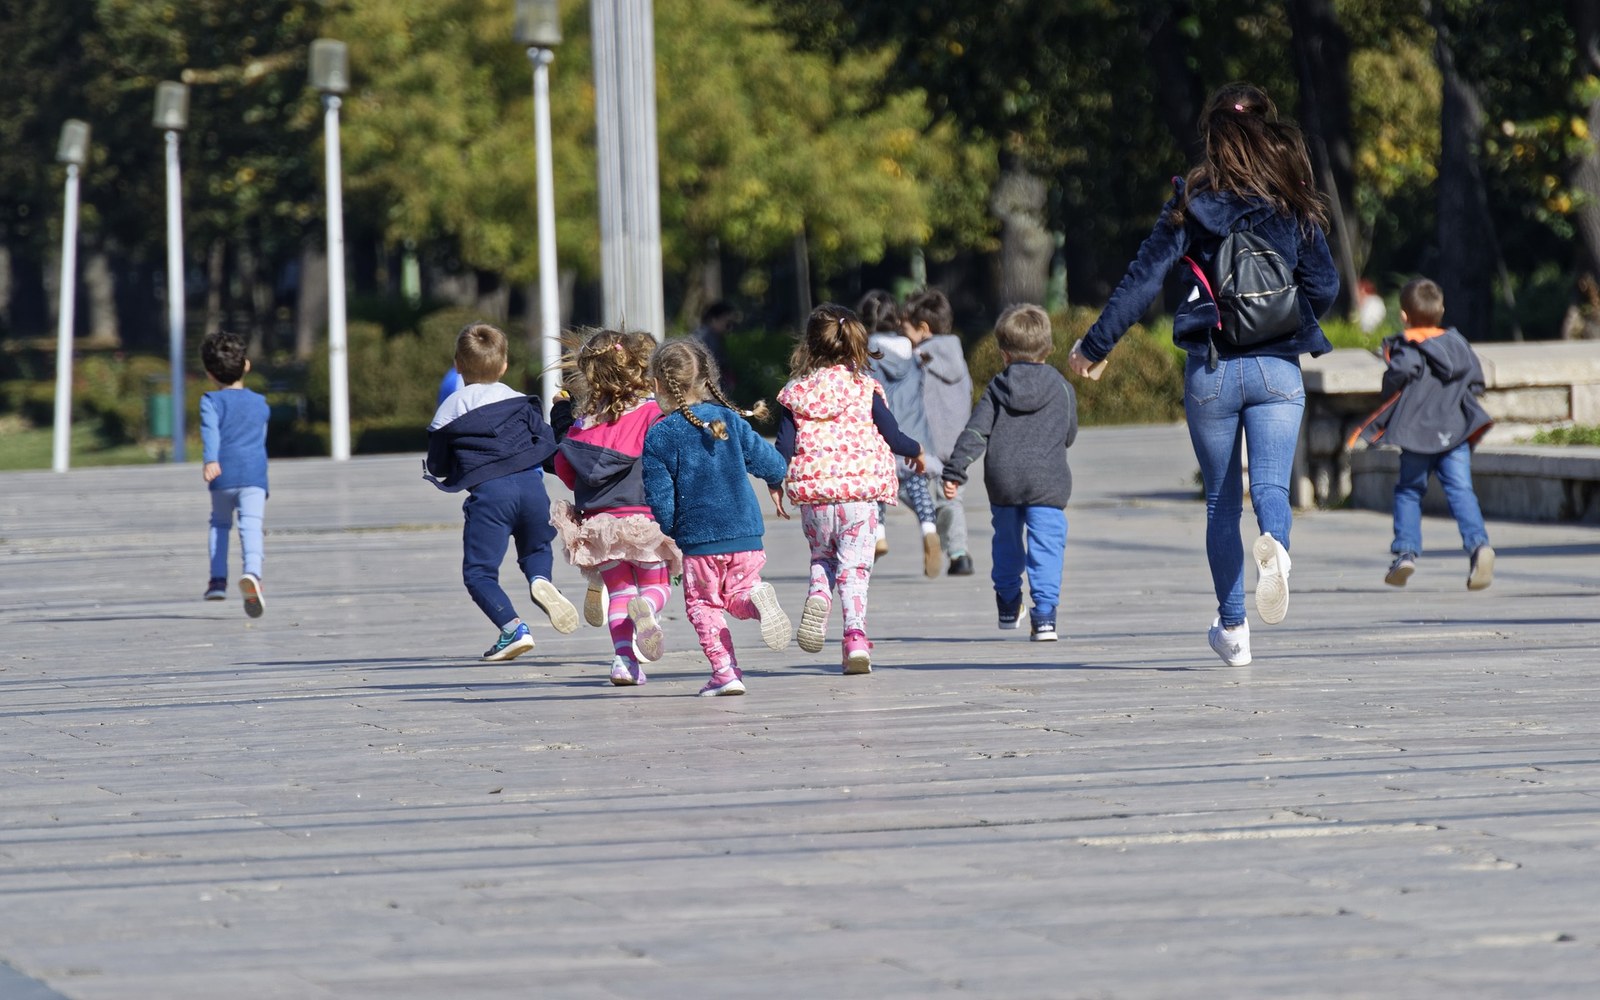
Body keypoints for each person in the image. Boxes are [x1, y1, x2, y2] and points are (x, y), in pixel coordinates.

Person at [1069, 82, 1339, 667]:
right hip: (1276, 369)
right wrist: (1288, 317)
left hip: (1211, 370)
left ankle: (1235, 631)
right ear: (1267, 128)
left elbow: (1142, 279)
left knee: (1221, 502)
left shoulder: (1191, 203)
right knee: (1270, 487)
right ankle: (1278, 552)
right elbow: (1326, 286)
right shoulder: (1292, 200)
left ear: (1212, 135)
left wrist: (1093, 347)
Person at [776, 303, 928, 674]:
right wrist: (917, 450)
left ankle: (818, 594)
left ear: (810, 345)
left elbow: (784, 446)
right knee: (855, 570)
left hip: (815, 497)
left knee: (822, 560)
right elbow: (891, 435)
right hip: (859, 497)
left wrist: (772, 483)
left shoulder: (795, 393)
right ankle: (855, 640)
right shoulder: (865, 388)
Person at [642, 339, 792, 696]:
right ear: (708, 380)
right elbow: (772, 464)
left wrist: (675, 529)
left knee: (703, 605)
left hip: (701, 540)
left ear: (658, 386)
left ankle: (725, 672)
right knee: (738, 595)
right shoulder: (730, 419)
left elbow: (660, 500)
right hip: (746, 535)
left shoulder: (660, 435)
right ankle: (757, 598)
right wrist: (774, 481)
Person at [425, 322, 579, 661]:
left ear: (458, 364)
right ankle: (541, 580)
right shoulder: (521, 402)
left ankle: (512, 629)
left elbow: (437, 465)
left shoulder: (449, 411)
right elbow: (547, 443)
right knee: (536, 547)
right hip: (533, 490)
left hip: (490, 496)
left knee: (479, 572)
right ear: (505, 365)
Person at [550, 330, 683, 686]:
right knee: (657, 584)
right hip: (644, 517)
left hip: (599, 525)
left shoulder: (582, 424)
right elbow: (672, 460)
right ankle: (650, 611)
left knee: (620, 594)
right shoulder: (654, 414)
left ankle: (624, 662)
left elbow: (565, 470)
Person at [940, 305, 1078, 641]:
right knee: (1046, 545)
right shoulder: (1061, 387)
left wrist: (955, 470)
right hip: (1047, 480)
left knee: (1005, 540)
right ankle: (1044, 617)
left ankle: (1006, 604)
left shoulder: (998, 386)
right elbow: (1069, 434)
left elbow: (976, 432)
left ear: (1004, 354)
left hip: (1004, 479)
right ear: (1048, 349)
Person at [1350, 278, 1495, 590]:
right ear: (1441, 310)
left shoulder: (1406, 347)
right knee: (1460, 490)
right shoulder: (1458, 344)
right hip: (1454, 432)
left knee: (1409, 491)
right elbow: (1477, 382)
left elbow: (1398, 375)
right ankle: (1479, 546)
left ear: (1404, 316)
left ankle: (1405, 553)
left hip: (1417, 434)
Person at [860, 290, 944, 578]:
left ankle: (879, 535)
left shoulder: (866, 351)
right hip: (915, 432)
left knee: (877, 490)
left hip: (882, 435)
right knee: (919, 487)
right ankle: (929, 529)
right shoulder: (912, 350)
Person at [199, 331, 271, 618]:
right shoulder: (260, 402)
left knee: (219, 524)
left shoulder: (211, 401)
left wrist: (210, 460)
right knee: (251, 525)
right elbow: (261, 437)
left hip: (223, 474)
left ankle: (217, 581)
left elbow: (210, 432)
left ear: (209, 374)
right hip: (254, 474)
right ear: (247, 366)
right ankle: (253, 574)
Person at [904, 287, 975, 576]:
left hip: (928, 441)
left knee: (900, 483)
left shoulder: (920, 358)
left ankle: (951, 545)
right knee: (951, 496)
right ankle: (957, 552)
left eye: (905, 328)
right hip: (960, 441)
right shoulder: (958, 353)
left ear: (923, 328)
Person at [690, 300, 740, 394]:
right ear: (714, 319)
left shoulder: (714, 337)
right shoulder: (705, 338)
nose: (729, 328)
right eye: (727, 323)